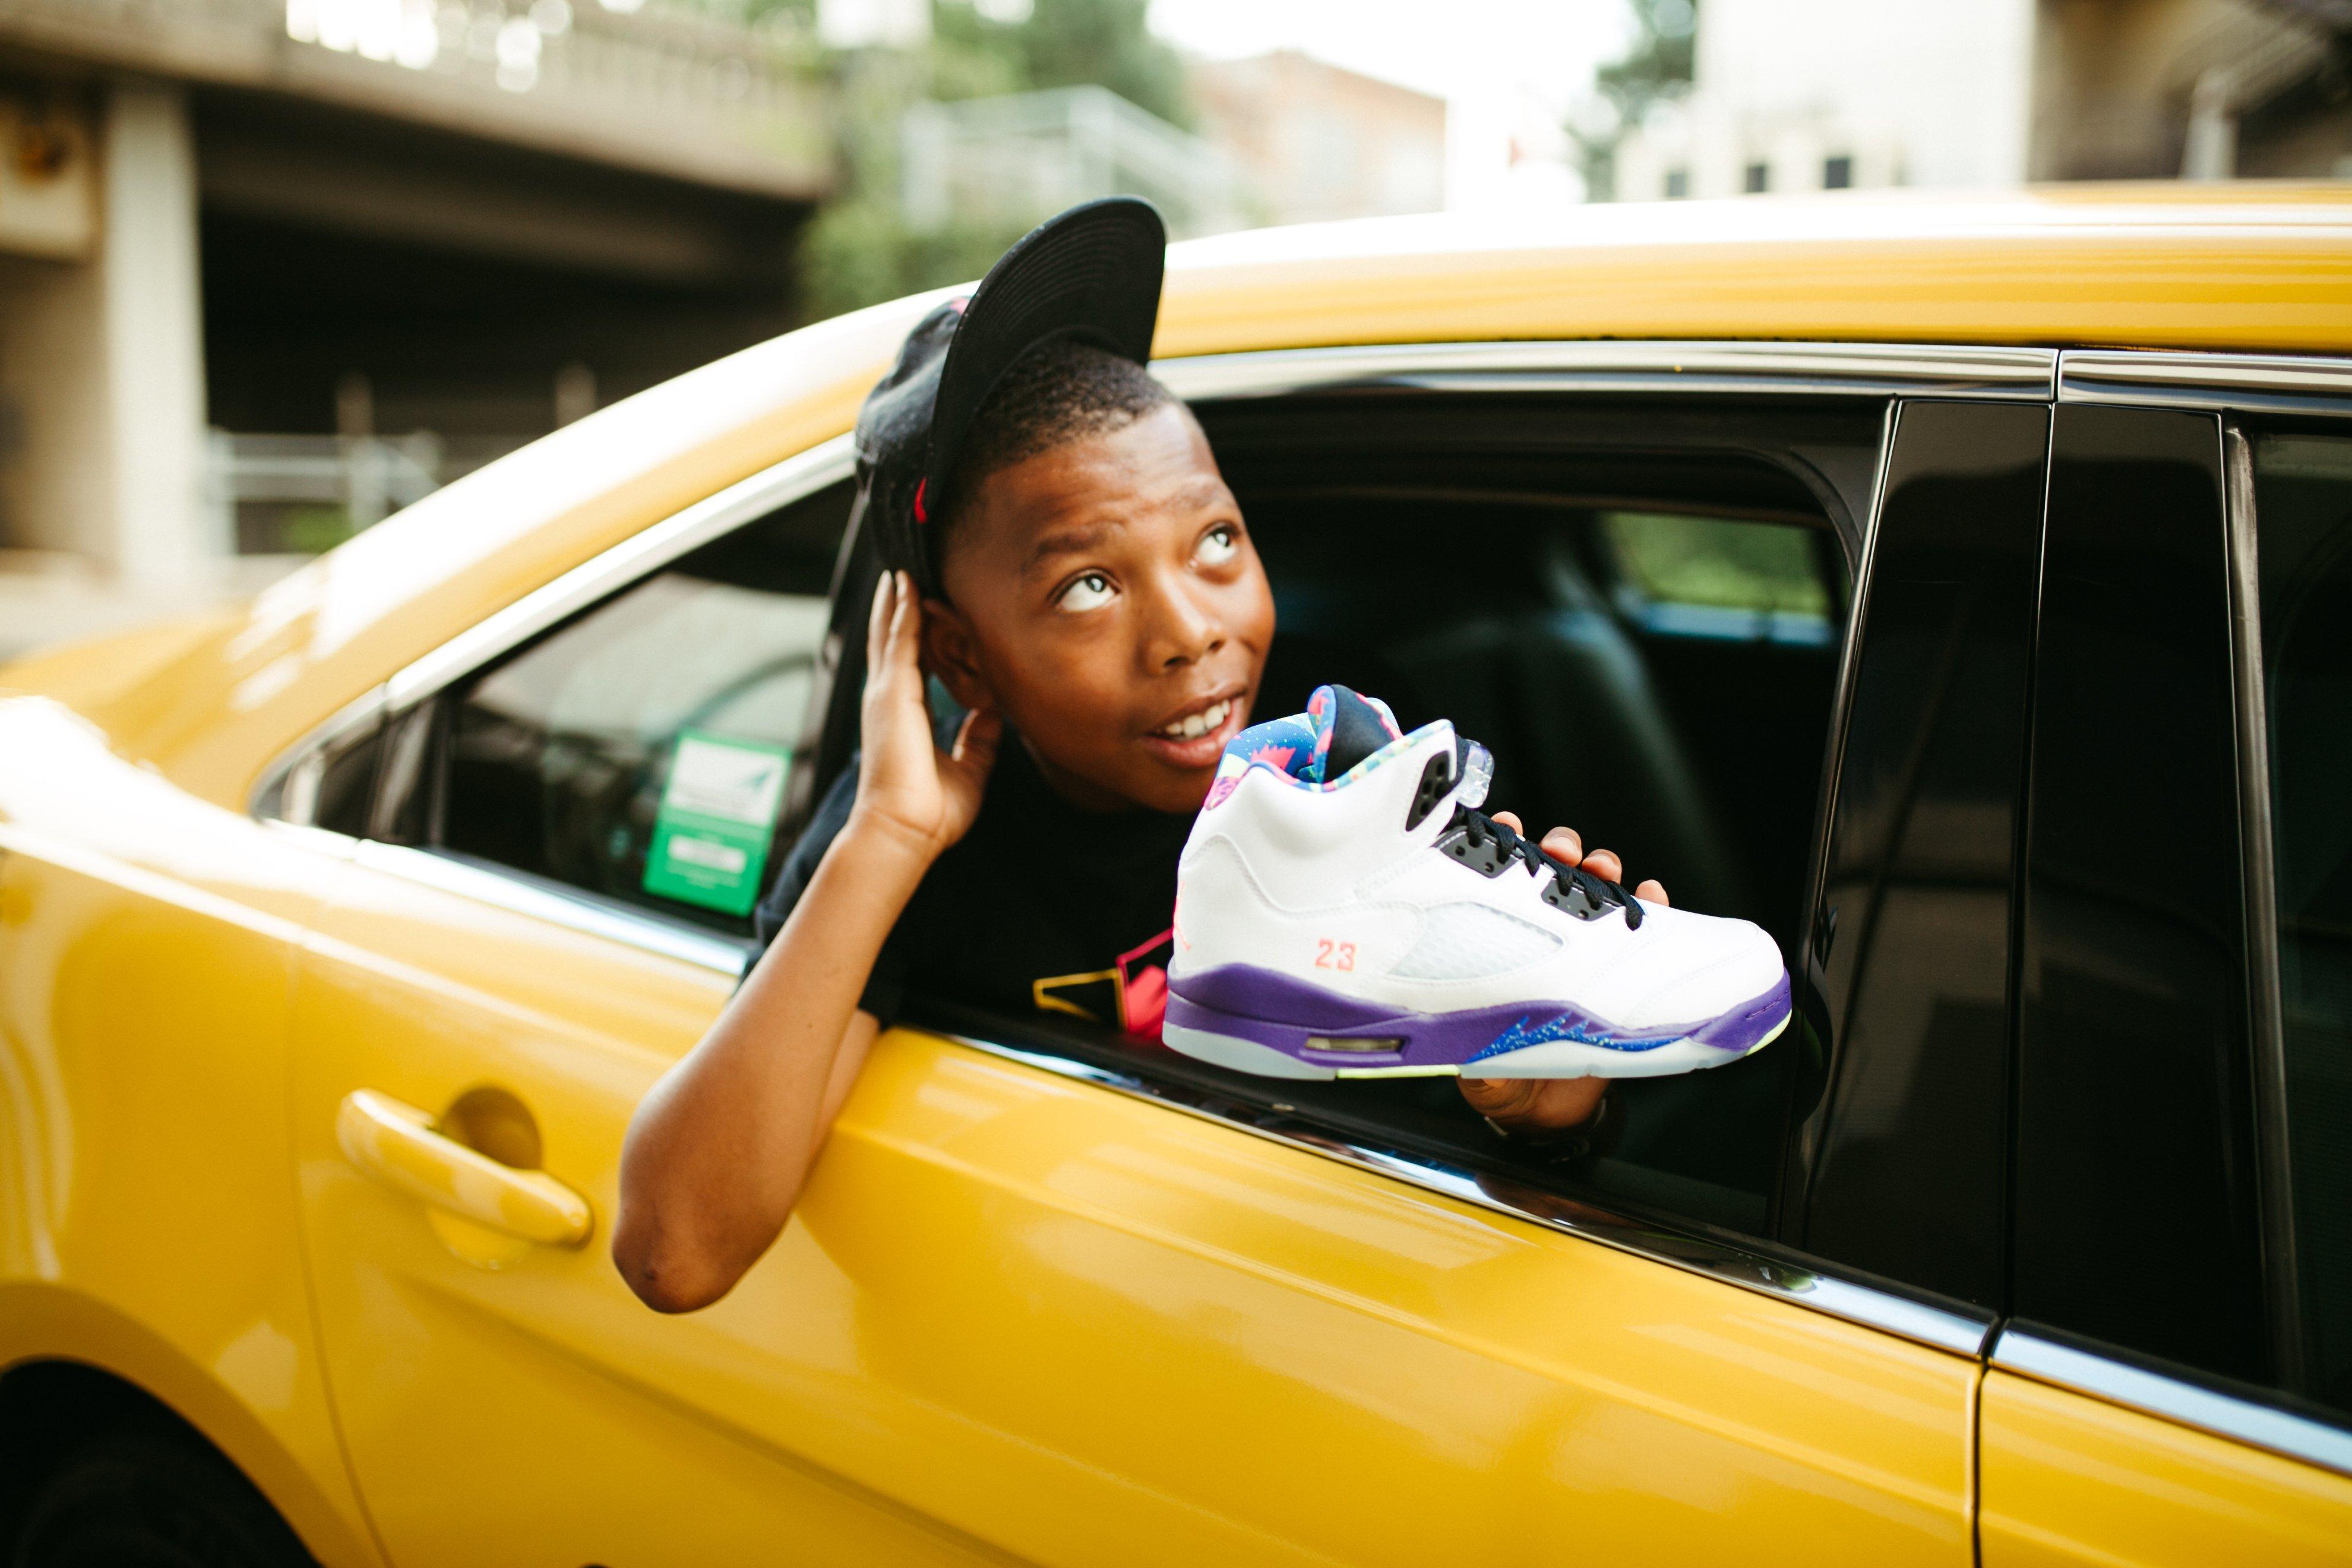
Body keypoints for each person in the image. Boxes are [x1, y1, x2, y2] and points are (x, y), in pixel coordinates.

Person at [612, 200, 1668, 1314]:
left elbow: (1499, 1139)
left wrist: (1551, 1117)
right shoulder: (916, 846)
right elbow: (677, 1251)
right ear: (963, 659)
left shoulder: (1352, 730)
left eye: (1214, 540)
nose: (1189, 633)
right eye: (1090, 586)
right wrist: (887, 839)